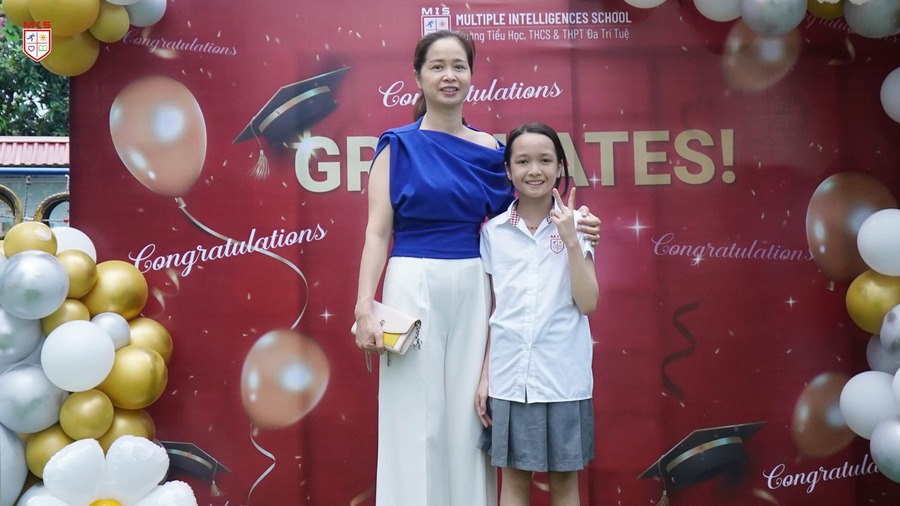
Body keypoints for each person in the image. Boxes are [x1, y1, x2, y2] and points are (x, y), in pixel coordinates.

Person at [353, 31, 599, 506]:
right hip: (410, 282)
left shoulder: (490, 149)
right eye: (437, 66)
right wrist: (365, 305)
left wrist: (583, 226)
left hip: (473, 281)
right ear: (418, 77)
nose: (449, 76)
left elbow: (529, 213)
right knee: (413, 415)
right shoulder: (396, 147)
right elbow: (377, 233)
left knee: (471, 417)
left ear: (471, 75)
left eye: (459, 66)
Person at [476, 122, 599, 506]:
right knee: (514, 481)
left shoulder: (579, 225)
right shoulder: (493, 232)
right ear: (508, 169)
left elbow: (588, 303)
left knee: (563, 481)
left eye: (545, 160)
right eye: (523, 161)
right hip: (510, 378)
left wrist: (571, 240)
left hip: (562, 377)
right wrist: (485, 377)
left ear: (560, 166)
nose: (534, 170)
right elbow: (495, 310)